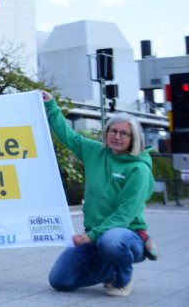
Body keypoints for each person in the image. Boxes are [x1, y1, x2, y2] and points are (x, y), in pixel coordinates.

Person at [41, 90, 154, 298]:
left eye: (124, 133)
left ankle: (123, 278)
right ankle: (110, 269)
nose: (117, 137)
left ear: (133, 139)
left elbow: (124, 215)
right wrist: (51, 106)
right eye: (113, 131)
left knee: (111, 241)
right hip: (95, 235)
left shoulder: (139, 170)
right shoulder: (95, 152)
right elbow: (68, 136)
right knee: (60, 280)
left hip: (127, 235)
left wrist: (90, 236)